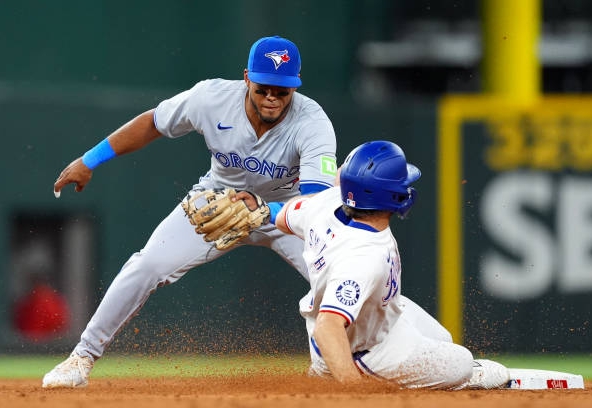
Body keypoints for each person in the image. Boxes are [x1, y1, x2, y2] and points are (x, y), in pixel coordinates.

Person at [42, 35, 337, 388]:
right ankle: (81, 358)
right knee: (147, 264)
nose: (272, 97)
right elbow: (153, 122)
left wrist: (268, 210)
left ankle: (356, 362)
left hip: (287, 211)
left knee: (340, 277)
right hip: (217, 203)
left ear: (295, 87)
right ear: (247, 78)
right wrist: (89, 160)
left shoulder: (313, 122)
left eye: (282, 90)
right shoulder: (211, 99)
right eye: (263, 89)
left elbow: (317, 202)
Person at [268, 140, 510, 388]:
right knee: (462, 364)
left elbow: (284, 218)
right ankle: (333, 374)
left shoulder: (325, 202)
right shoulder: (363, 257)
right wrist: (354, 392)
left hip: (377, 319)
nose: (407, 188)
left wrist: (261, 209)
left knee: (443, 339)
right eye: (402, 184)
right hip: (359, 351)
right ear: (390, 196)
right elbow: (327, 329)